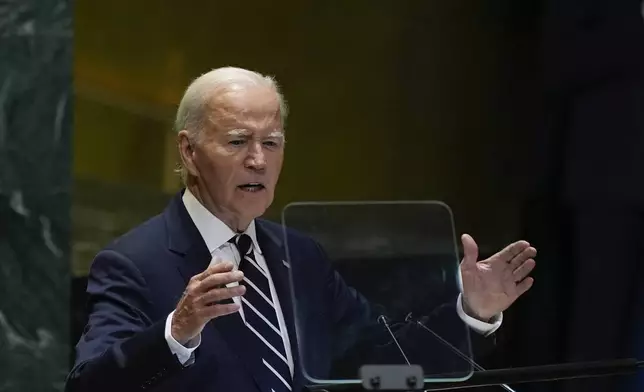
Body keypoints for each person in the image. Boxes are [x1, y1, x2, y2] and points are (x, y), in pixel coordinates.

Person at [65, 67, 537, 392]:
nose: (258, 159)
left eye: (272, 143)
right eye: (237, 141)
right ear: (188, 152)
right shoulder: (134, 263)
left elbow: (380, 361)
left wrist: (471, 310)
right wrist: (178, 330)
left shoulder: (300, 255)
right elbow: (90, 385)